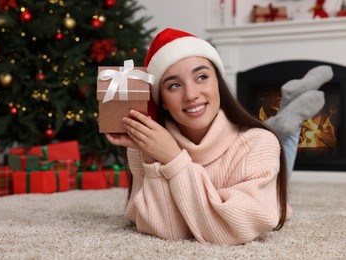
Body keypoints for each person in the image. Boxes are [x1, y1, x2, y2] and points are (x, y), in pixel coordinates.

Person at [104, 28, 328, 245]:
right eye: (174, 85)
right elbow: (164, 229)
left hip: (256, 146)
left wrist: (173, 159)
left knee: (275, 142)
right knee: (276, 140)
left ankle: (286, 122)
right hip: (245, 144)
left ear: (218, 83)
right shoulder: (147, 146)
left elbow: (234, 228)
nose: (191, 95)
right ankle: (286, 113)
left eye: (201, 77)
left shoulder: (259, 143)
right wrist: (153, 157)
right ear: (161, 99)